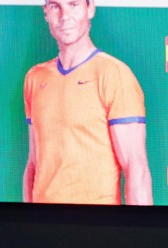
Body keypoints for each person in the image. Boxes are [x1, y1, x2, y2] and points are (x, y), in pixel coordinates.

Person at [23, 0, 151, 206]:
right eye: (55, 6)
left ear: (90, 9)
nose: (64, 16)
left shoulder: (114, 74)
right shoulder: (35, 77)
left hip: (96, 219)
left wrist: (142, 225)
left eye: (73, 5)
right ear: (46, 12)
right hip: (45, 219)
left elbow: (136, 168)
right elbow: (34, 163)